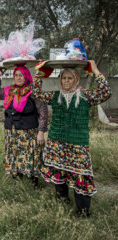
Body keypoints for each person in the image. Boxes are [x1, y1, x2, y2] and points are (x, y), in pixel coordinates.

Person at [32, 60, 111, 217]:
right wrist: (39, 75)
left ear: (76, 79)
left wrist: (95, 71)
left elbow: (105, 93)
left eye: (69, 78)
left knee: (80, 176)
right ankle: (63, 202)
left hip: (77, 145)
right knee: (59, 174)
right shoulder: (55, 96)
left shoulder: (86, 96)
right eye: (63, 78)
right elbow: (36, 93)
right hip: (56, 143)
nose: (66, 81)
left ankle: (83, 212)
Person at [0, 66, 48, 187]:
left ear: (26, 76)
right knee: (14, 153)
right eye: (16, 75)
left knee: (29, 154)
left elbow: (43, 112)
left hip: (28, 132)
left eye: (21, 75)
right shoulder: (9, 90)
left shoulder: (33, 91)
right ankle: (16, 178)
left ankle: (33, 181)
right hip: (12, 131)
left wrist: (41, 131)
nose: (18, 78)